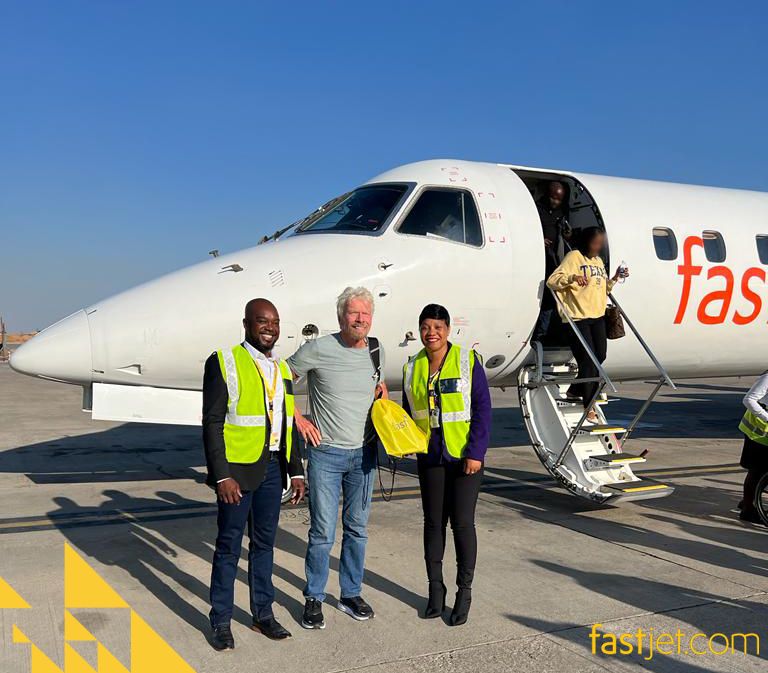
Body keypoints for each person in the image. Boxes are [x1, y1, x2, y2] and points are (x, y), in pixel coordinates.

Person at [203, 298, 305, 650]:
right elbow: (212, 422)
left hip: (274, 469)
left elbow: (288, 422)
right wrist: (221, 476)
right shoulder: (225, 361)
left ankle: (263, 614)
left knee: (264, 545)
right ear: (246, 323)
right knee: (228, 546)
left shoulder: (282, 369)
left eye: (275, 322)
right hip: (237, 473)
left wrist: (297, 471)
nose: (270, 328)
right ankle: (220, 619)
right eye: (262, 321)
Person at [289, 287, 387, 630]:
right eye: (353, 313)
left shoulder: (376, 350)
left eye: (365, 314)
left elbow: (376, 388)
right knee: (322, 532)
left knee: (357, 530)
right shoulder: (318, 348)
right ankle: (314, 597)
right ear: (340, 316)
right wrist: (296, 417)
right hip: (326, 455)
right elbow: (279, 379)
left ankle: (349, 594)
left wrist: (382, 396)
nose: (359, 319)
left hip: (364, 455)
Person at [402, 304, 492, 626]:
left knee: (463, 524)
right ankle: (435, 590)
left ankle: (463, 593)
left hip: (463, 456)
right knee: (433, 523)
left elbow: (482, 410)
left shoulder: (467, 361)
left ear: (448, 329)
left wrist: (476, 452)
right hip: (430, 455)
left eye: (438, 327)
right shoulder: (412, 366)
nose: (431, 333)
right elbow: (409, 412)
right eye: (426, 327)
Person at [547, 227, 629, 423]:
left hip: (597, 316)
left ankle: (575, 389)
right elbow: (552, 281)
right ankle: (589, 406)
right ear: (586, 242)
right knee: (588, 360)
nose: (598, 247)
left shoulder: (598, 261)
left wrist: (615, 278)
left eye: (600, 243)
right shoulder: (574, 257)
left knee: (600, 355)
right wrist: (572, 278)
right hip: (577, 317)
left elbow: (602, 288)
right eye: (595, 243)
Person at [534, 181, 572, 341]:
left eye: (559, 200)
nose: (556, 202)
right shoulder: (535, 208)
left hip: (553, 258)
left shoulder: (561, 212)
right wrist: (538, 239)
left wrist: (567, 233)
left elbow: (566, 236)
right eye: (553, 198)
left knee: (550, 298)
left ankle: (543, 334)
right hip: (537, 256)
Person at [737, 372, 768, 524]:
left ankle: (748, 500)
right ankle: (748, 510)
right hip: (757, 432)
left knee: (761, 471)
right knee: (756, 470)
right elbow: (749, 399)